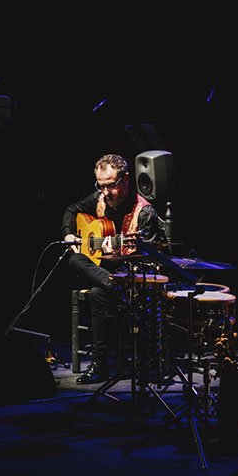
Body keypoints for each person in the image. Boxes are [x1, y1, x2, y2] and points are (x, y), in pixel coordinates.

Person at [62, 154, 162, 384]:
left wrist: (116, 254)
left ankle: (100, 363)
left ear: (126, 179)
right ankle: (109, 283)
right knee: (74, 259)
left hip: (131, 279)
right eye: (101, 185)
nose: (105, 192)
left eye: (111, 186)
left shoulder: (144, 213)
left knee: (98, 294)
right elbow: (71, 210)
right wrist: (69, 233)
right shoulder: (100, 199)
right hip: (104, 274)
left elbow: (146, 259)